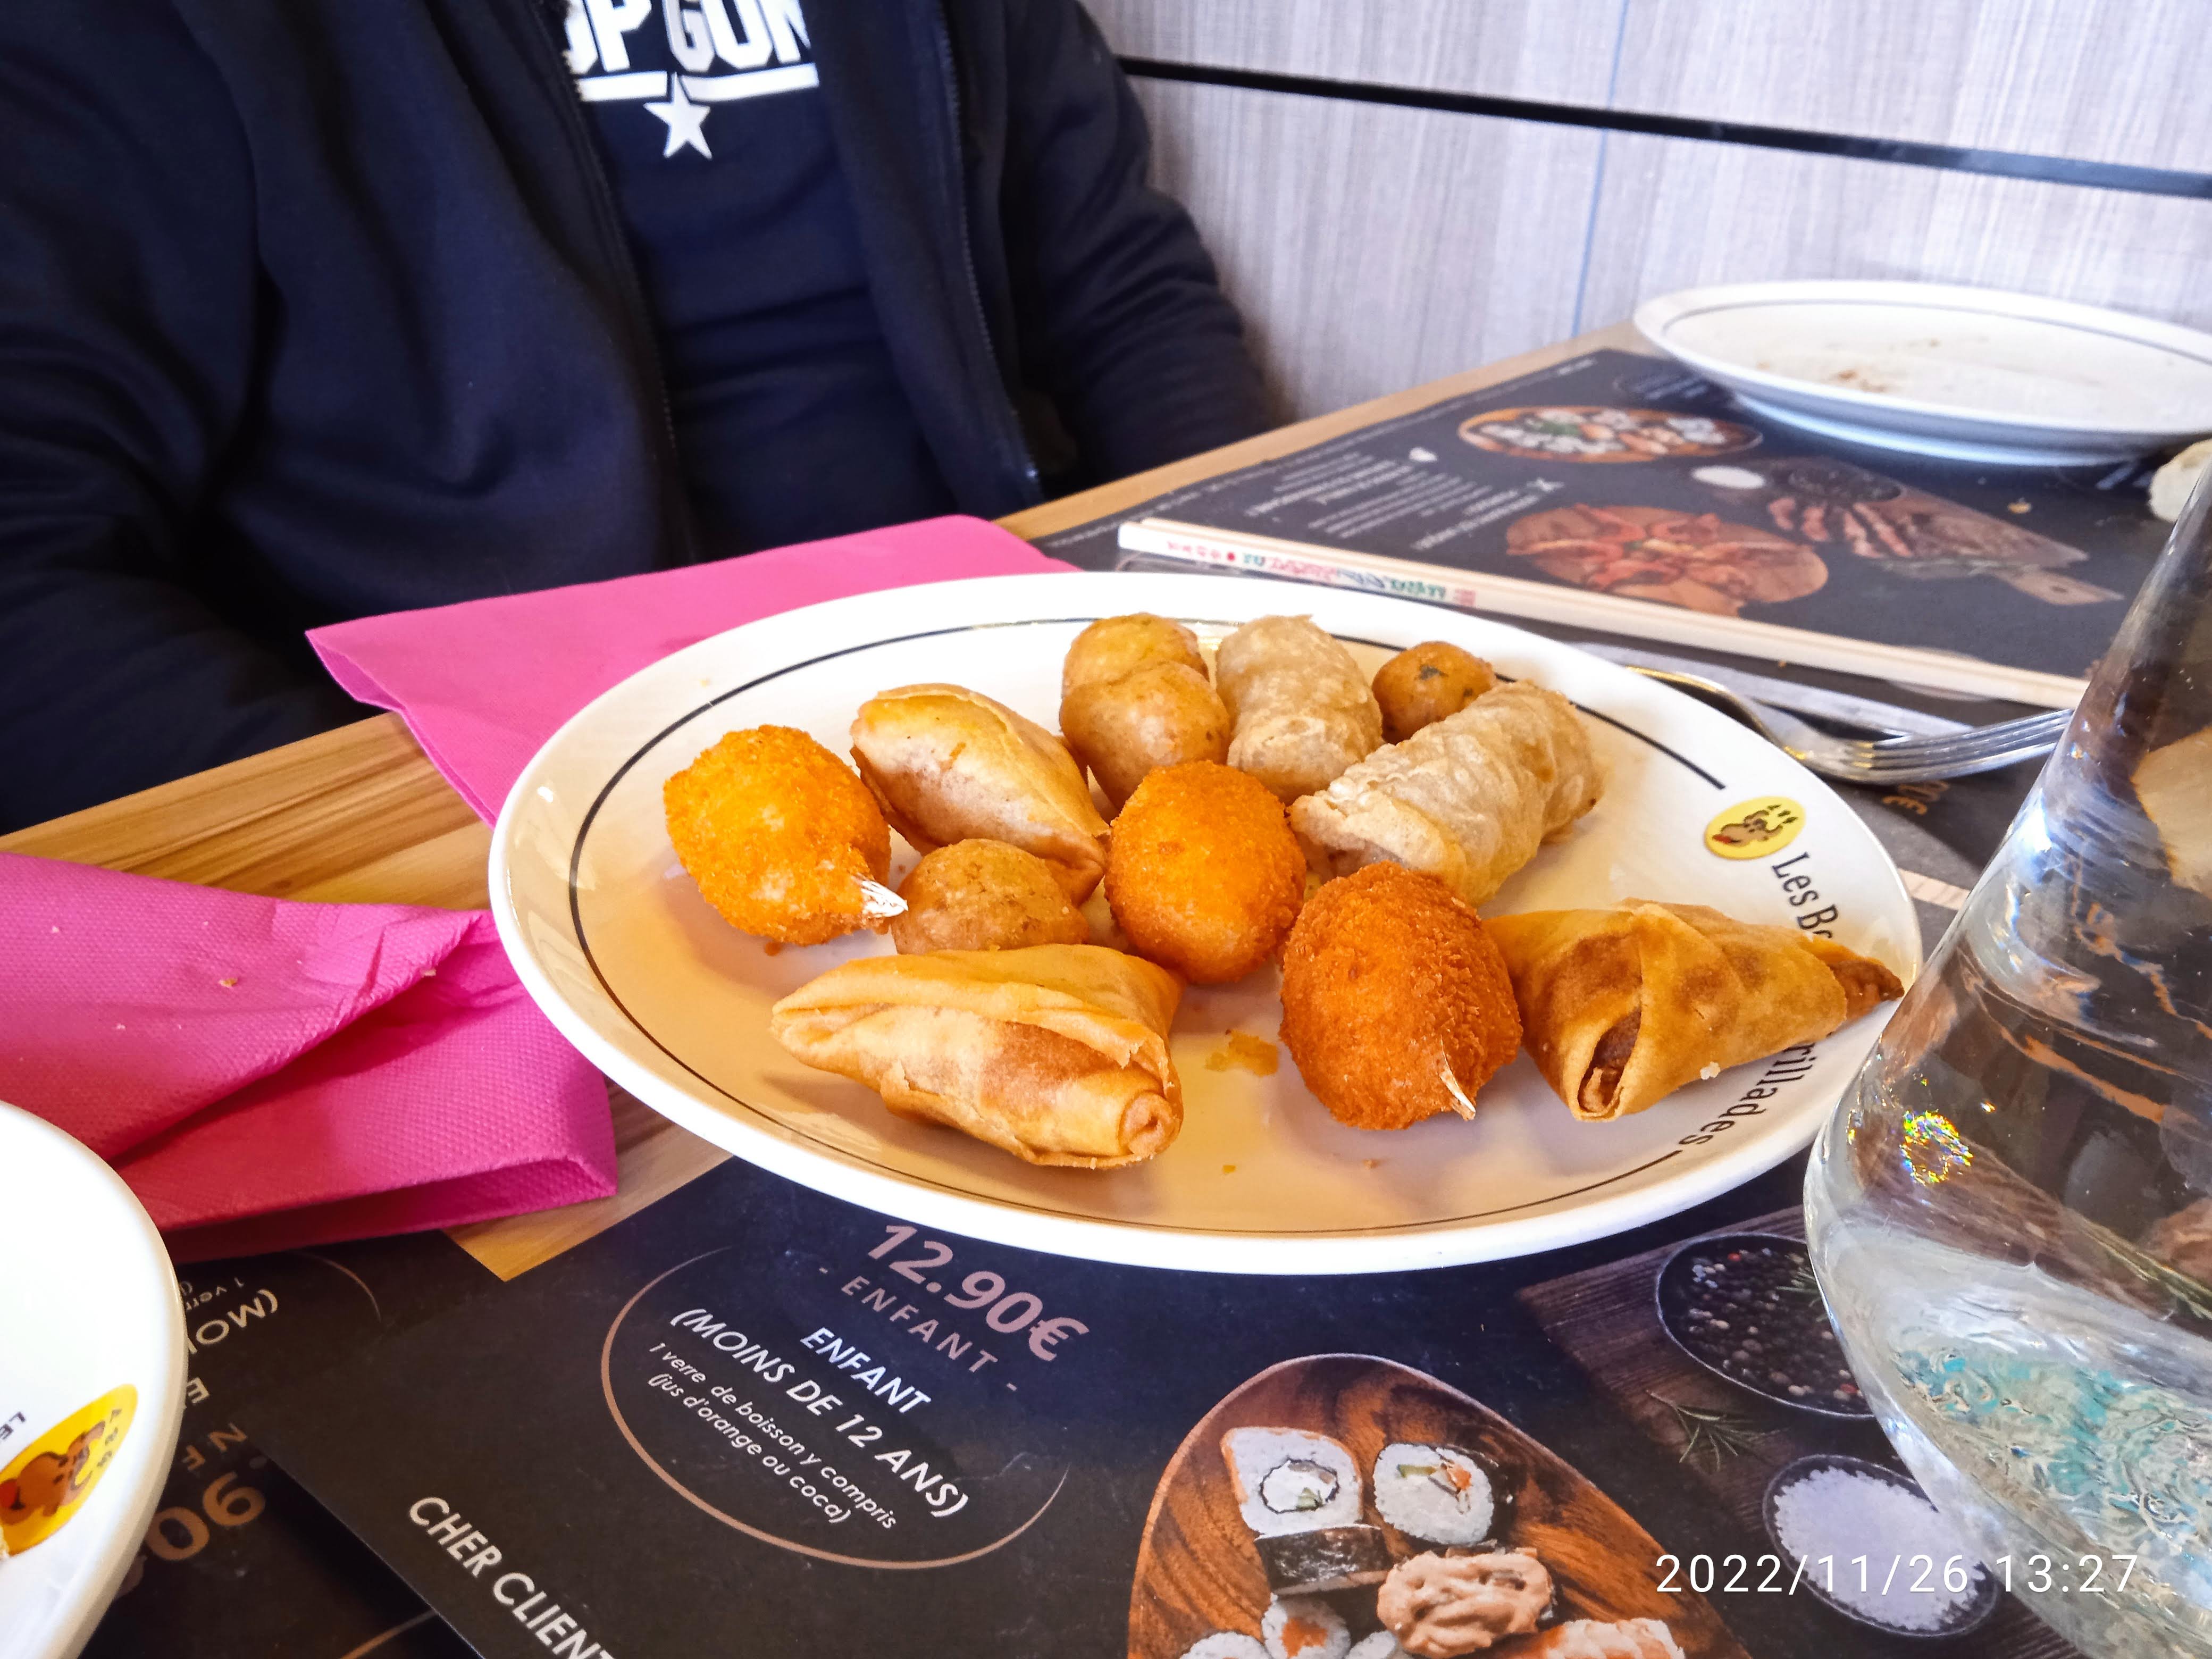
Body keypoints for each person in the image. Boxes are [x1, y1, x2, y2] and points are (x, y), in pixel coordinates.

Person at [0, 0, 1268, 831]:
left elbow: (1123, 293)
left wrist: (1236, 622)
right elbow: (27, 554)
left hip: (1011, 678)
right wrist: (453, 845)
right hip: (504, 775)